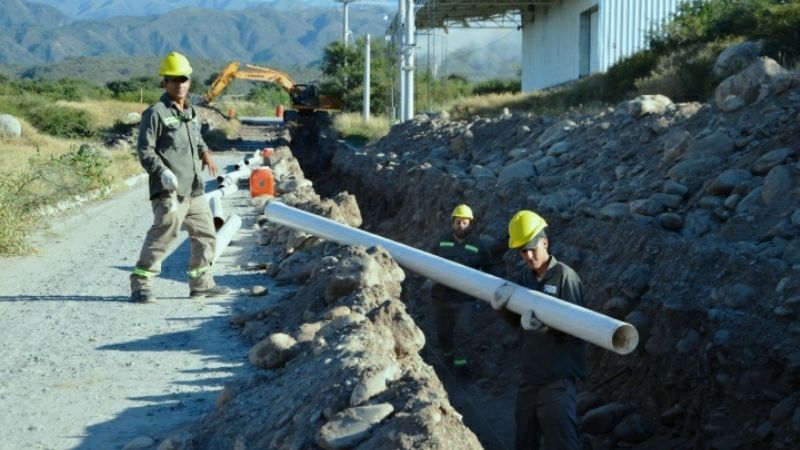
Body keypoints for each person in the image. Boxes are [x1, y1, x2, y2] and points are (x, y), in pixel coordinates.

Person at [129, 51, 230, 303]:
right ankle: (141, 284)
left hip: (194, 189)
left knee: (206, 235)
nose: (179, 84)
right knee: (164, 234)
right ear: (164, 82)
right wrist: (161, 171)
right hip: (170, 191)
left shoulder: (191, 111)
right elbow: (145, 149)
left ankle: (201, 284)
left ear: (190, 82)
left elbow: (196, 137)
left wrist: (205, 152)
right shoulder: (155, 113)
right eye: (173, 79)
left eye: (183, 79)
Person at [501, 210, 588, 450]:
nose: (528, 256)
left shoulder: (565, 278)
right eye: (522, 251)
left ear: (545, 242)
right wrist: (503, 310)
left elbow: (581, 329)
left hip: (556, 380)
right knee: (524, 442)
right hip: (529, 378)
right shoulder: (523, 277)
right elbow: (518, 324)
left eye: (532, 248)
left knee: (561, 443)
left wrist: (548, 327)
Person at [430, 204, 493, 370]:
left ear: (470, 224)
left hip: (465, 299)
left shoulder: (477, 245)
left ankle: (462, 368)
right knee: (444, 334)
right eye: (458, 222)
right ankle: (447, 365)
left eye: (465, 223)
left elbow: (489, 268)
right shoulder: (442, 241)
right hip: (442, 297)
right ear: (452, 223)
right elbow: (428, 262)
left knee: (463, 332)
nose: (461, 226)